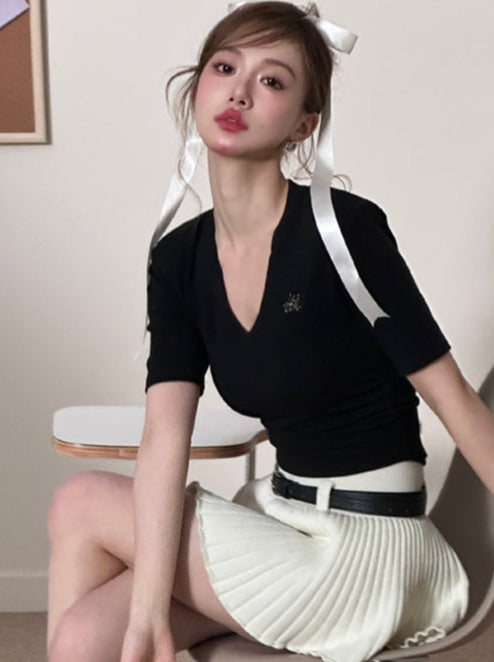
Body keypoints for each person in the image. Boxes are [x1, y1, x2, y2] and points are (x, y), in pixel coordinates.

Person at [46, 2, 494, 662]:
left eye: (272, 80)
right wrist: (148, 612)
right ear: (197, 87)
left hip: (365, 551)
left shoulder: (345, 232)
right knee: (84, 638)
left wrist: (150, 608)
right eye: (225, 68)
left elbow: (454, 399)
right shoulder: (178, 258)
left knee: (80, 501)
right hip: (282, 522)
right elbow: (165, 434)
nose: (240, 92)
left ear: (304, 124)